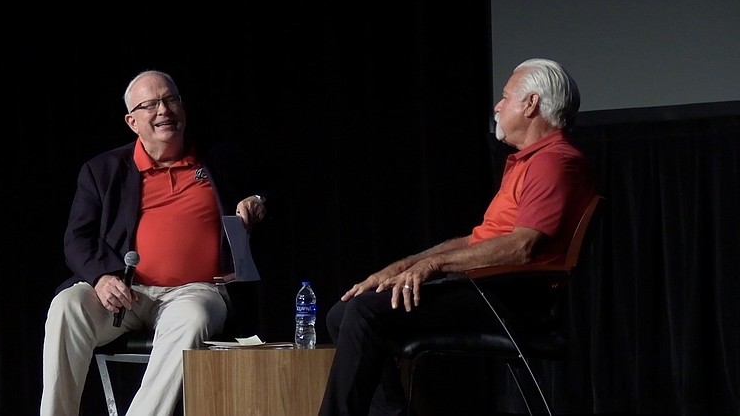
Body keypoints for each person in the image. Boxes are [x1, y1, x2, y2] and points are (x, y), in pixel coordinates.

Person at [318, 58, 596, 416]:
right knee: (342, 313)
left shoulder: (555, 161)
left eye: (505, 97)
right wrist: (402, 266)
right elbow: (476, 240)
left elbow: (523, 246)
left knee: (364, 312)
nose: (497, 106)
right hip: (489, 290)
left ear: (531, 104)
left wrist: (435, 266)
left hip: (512, 300)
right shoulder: (528, 162)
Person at [40, 70, 268, 416]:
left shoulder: (220, 159)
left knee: (192, 318)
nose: (163, 110)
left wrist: (257, 197)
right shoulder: (103, 170)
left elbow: (270, 183)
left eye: (170, 99)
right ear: (132, 121)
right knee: (66, 306)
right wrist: (102, 278)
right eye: (150, 105)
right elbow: (77, 240)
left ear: (183, 108)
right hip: (125, 292)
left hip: (195, 292)